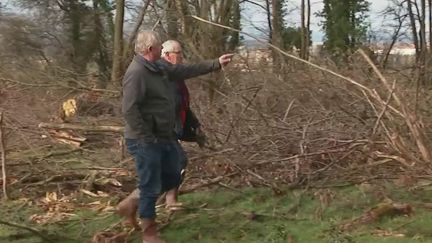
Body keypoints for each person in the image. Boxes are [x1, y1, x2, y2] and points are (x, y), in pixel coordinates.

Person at [119, 30, 232, 243]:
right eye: (160, 47)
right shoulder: (137, 73)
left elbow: (185, 70)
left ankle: (132, 202)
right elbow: (129, 109)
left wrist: (215, 63)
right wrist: (146, 137)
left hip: (164, 135)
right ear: (150, 49)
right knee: (150, 184)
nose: (163, 50)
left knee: (174, 173)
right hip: (145, 139)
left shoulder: (159, 67)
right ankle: (149, 234)